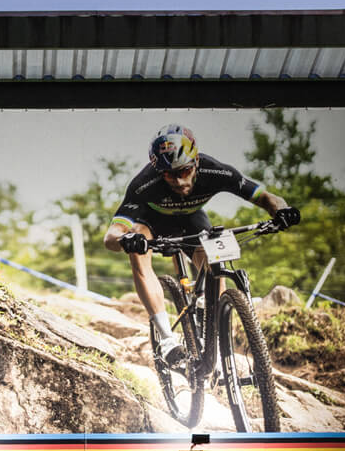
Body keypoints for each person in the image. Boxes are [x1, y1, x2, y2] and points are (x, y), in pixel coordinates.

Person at [103, 123, 300, 365]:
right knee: (137, 244)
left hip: (192, 221)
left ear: (195, 162)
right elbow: (111, 236)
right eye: (168, 174)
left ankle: (212, 321)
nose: (177, 180)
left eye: (184, 171)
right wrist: (126, 240)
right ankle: (166, 338)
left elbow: (267, 198)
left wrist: (283, 211)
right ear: (158, 170)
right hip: (151, 225)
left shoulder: (215, 171)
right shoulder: (144, 184)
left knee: (216, 257)